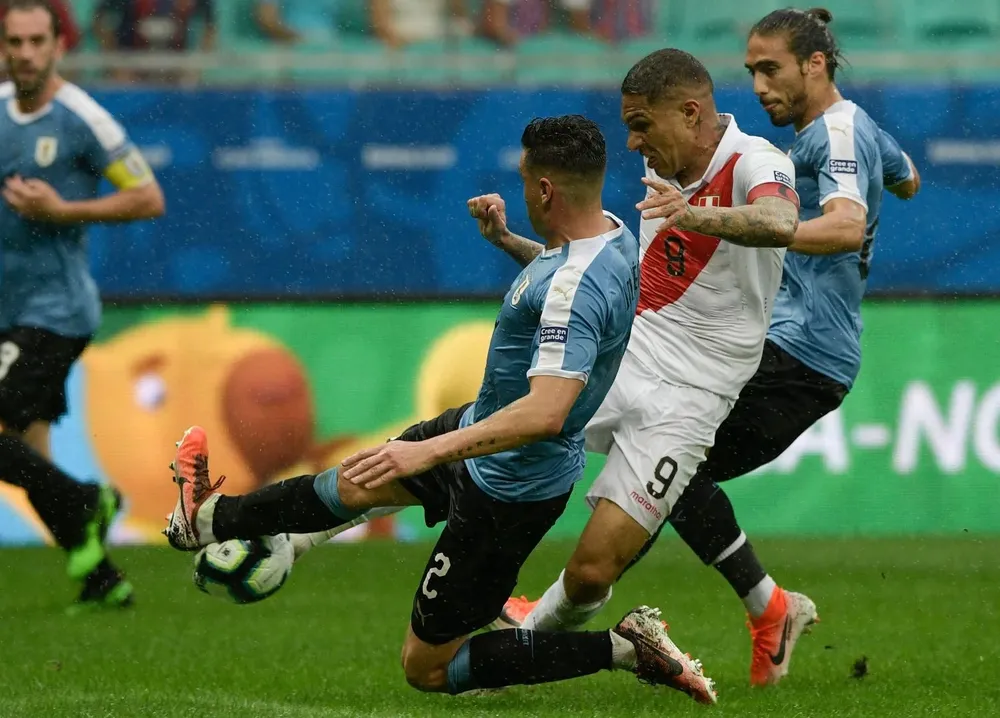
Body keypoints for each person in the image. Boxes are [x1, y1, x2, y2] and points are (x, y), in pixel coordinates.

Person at [163, 115, 718, 705]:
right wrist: (507, 240)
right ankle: (209, 519)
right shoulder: (610, 235)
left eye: (527, 180)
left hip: (509, 485)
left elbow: (546, 412)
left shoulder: (576, 283)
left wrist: (425, 451)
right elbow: (562, 286)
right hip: (480, 429)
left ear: (547, 189)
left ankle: (627, 647)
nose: (525, 190)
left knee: (428, 669)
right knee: (357, 480)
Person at [506, 8, 922, 688]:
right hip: (793, 342)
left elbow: (844, 228)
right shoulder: (856, 128)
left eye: (772, 69)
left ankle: (570, 613)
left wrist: (745, 225)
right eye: (752, 70)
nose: (758, 85)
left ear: (816, 64)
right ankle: (754, 607)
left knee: (670, 462)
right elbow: (909, 180)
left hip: (799, 345)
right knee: (668, 470)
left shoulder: (835, 134)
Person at [476, 45, 801, 670]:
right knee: (485, 433)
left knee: (595, 568)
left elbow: (780, 219)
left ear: (689, 111)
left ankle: (522, 647)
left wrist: (697, 216)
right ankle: (302, 534)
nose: (630, 143)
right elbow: (598, 279)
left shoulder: (758, 160)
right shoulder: (665, 181)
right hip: (628, 361)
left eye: (641, 124)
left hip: (694, 397)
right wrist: (510, 241)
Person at [0, 0, 165, 609]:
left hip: (56, 312)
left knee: (10, 434)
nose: (24, 54)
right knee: (29, 448)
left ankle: (88, 502)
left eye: (36, 41)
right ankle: (100, 578)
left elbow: (149, 197)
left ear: (57, 46)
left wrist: (63, 211)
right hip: (8, 309)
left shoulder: (83, 119)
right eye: (14, 42)